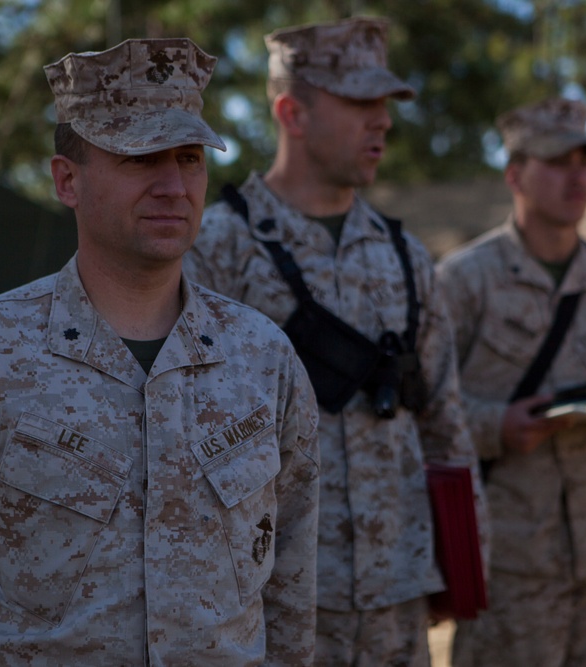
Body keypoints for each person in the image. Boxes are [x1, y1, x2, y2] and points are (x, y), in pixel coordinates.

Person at [0, 37, 321, 665]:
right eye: (140, 158)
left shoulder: (264, 360)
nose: (174, 184)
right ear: (67, 180)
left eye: (189, 157)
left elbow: (291, 590)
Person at [184, 16, 487, 667]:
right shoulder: (217, 248)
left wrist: (461, 563)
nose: (382, 121)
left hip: (396, 593)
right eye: (360, 103)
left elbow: (444, 420)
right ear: (292, 111)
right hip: (269, 595)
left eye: (386, 105)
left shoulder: (406, 256)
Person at [436, 97, 586, 667]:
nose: (577, 176)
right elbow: (426, 406)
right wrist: (500, 426)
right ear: (515, 174)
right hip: (508, 565)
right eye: (558, 162)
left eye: (585, 161)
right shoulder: (462, 283)